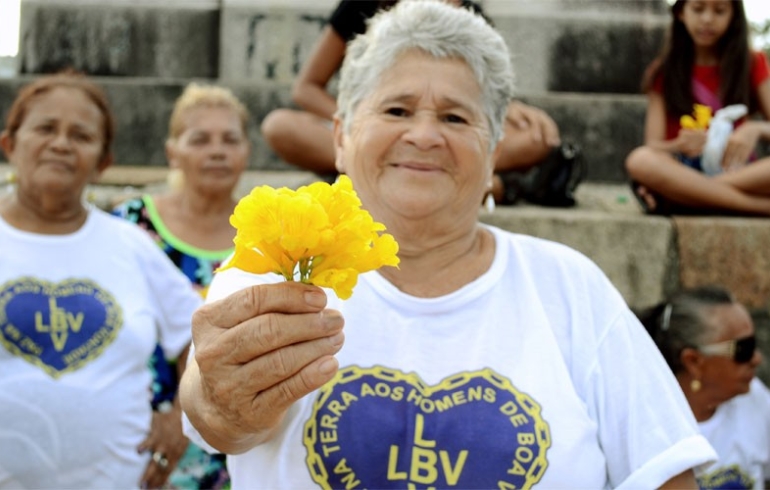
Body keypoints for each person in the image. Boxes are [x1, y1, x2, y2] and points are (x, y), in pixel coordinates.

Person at [180, 1, 716, 488]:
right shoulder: (278, 262)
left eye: (456, 118)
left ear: (494, 152)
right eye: (396, 111)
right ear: (340, 137)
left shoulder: (569, 285)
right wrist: (222, 399)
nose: (424, 135)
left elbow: (664, 473)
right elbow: (214, 417)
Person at [0, 72, 202, 489]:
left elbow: (201, 337)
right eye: (45, 128)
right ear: (9, 144)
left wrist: (181, 417)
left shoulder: (132, 246)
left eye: (80, 135)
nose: (61, 143)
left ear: (103, 163)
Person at [260, 0, 564, 205]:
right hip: (368, 130)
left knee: (536, 138)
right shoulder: (362, 5)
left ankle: (365, 176)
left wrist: (509, 107)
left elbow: (481, 94)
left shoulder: (473, 16)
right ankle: (488, 186)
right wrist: (368, 123)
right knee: (280, 126)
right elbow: (306, 88)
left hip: (442, 136)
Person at [112, 82, 250, 489]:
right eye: (200, 139)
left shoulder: (266, 232)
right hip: (141, 428)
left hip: (238, 435)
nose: (217, 150)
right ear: (172, 151)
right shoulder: (132, 223)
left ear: (246, 151)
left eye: (230, 139)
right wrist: (168, 411)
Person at [625, 0, 770, 216]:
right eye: (698, 9)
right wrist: (679, 145)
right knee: (640, 160)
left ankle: (690, 197)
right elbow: (653, 146)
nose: (707, 19)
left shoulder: (752, 62)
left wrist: (755, 129)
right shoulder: (663, 72)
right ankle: (758, 207)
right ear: (681, 13)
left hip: (738, 173)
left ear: (733, 16)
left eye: (719, 11)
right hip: (683, 170)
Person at [636, 286, 770, 489]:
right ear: (693, 361)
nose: (756, 359)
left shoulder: (755, 400)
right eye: (743, 349)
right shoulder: (648, 428)